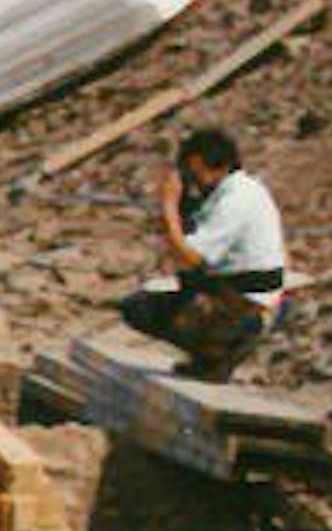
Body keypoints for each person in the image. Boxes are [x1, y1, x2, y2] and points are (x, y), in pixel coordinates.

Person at [119, 126, 287, 379]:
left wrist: (169, 207)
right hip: (245, 290)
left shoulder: (235, 200)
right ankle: (211, 357)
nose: (193, 179)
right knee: (175, 289)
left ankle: (222, 349)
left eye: (195, 172)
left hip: (250, 301)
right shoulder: (238, 191)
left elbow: (193, 257)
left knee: (141, 309)